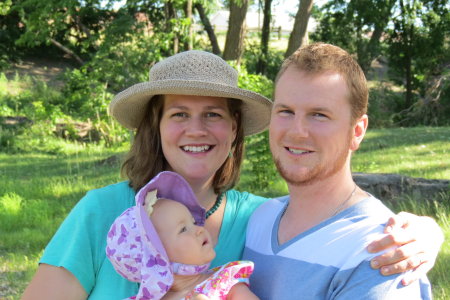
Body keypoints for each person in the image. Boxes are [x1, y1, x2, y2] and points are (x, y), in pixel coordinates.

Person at [21, 50, 443, 300]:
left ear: (235, 128)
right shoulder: (102, 212)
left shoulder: (256, 220)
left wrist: (425, 233)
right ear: (156, 125)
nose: (197, 129)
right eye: (179, 114)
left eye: (214, 115)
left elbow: (336, 222)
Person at [243, 43, 439, 299]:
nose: (296, 131)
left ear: (357, 131)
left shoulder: (383, 251)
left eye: (319, 115)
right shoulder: (259, 220)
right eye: (286, 111)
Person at [106, 171, 258, 300]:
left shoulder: (225, 284)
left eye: (193, 222)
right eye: (183, 229)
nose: (199, 229)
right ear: (157, 258)